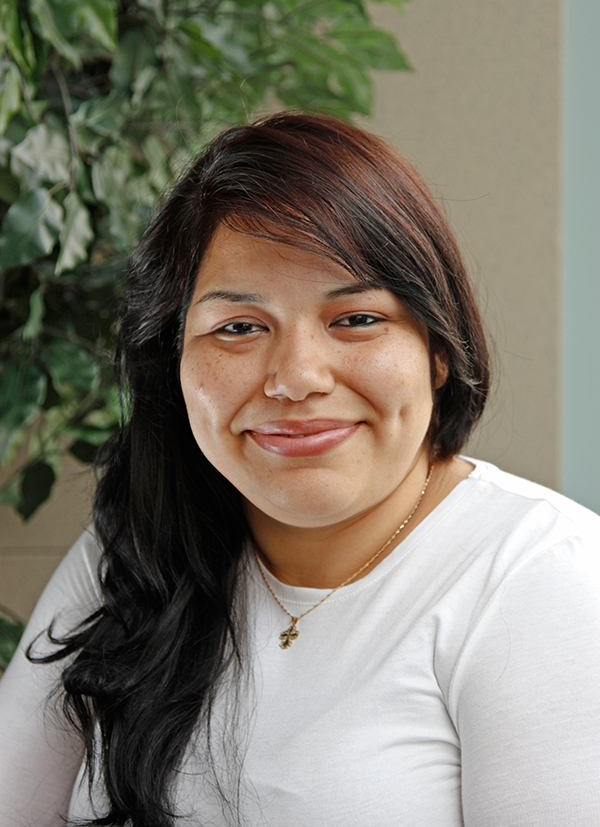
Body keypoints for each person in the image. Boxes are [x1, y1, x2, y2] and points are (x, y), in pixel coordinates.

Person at [0, 112, 599, 827]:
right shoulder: (134, 547)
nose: (297, 377)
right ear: (174, 363)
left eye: (355, 320)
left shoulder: (541, 576)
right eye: (240, 328)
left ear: (439, 349)